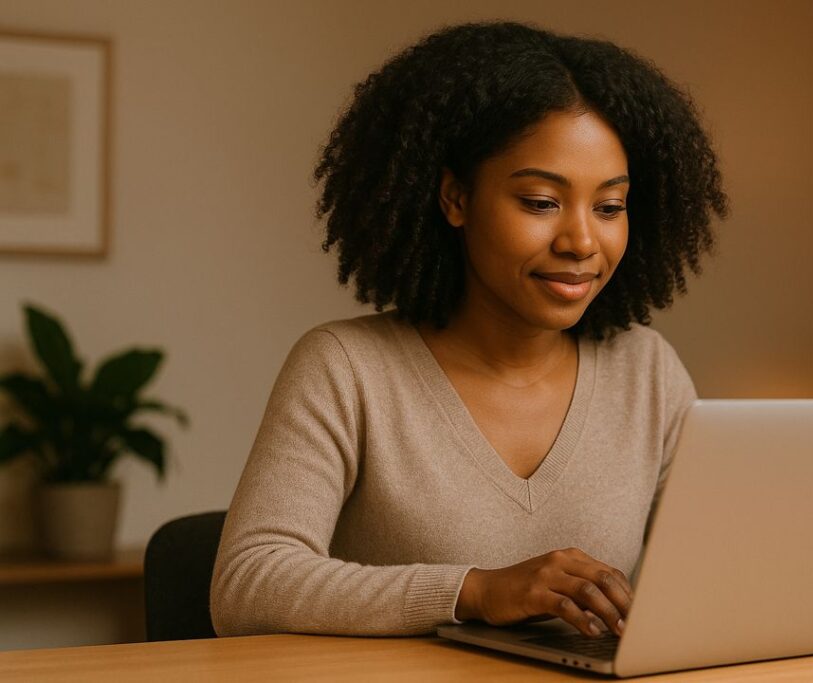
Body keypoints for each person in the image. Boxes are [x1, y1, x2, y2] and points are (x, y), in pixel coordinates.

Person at [211, 20, 727, 640]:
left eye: (610, 207)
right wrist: (476, 591)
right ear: (455, 198)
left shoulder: (647, 371)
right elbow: (248, 583)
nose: (582, 241)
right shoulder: (345, 368)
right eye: (540, 202)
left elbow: (717, 574)